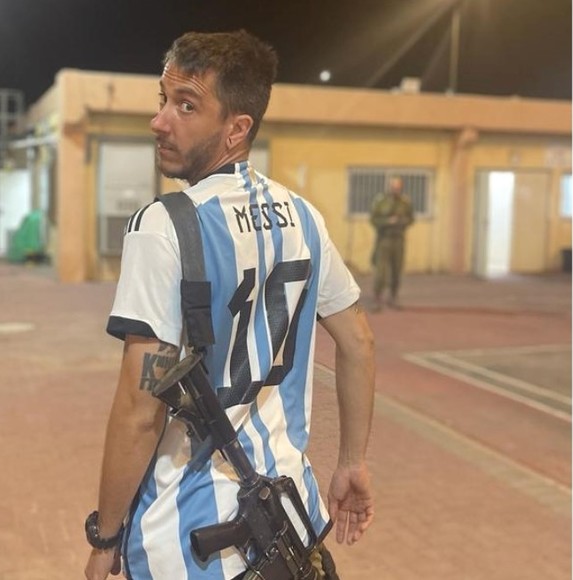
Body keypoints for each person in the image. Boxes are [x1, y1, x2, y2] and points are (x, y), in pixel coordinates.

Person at [85, 30, 376, 580]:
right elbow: (358, 341)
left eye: (187, 106)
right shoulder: (304, 218)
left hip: (190, 543)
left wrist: (105, 536)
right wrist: (353, 462)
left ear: (236, 128)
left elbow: (139, 407)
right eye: (163, 100)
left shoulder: (165, 226)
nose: (160, 121)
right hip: (290, 520)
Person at [369, 177, 414, 311]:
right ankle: (377, 298)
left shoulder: (405, 202)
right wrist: (388, 222)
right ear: (389, 187)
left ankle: (393, 297)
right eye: (393, 186)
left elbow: (411, 219)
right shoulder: (381, 201)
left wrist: (400, 222)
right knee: (381, 271)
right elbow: (374, 219)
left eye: (398, 186)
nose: (396, 189)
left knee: (397, 269)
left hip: (398, 239)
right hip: (384, 239)